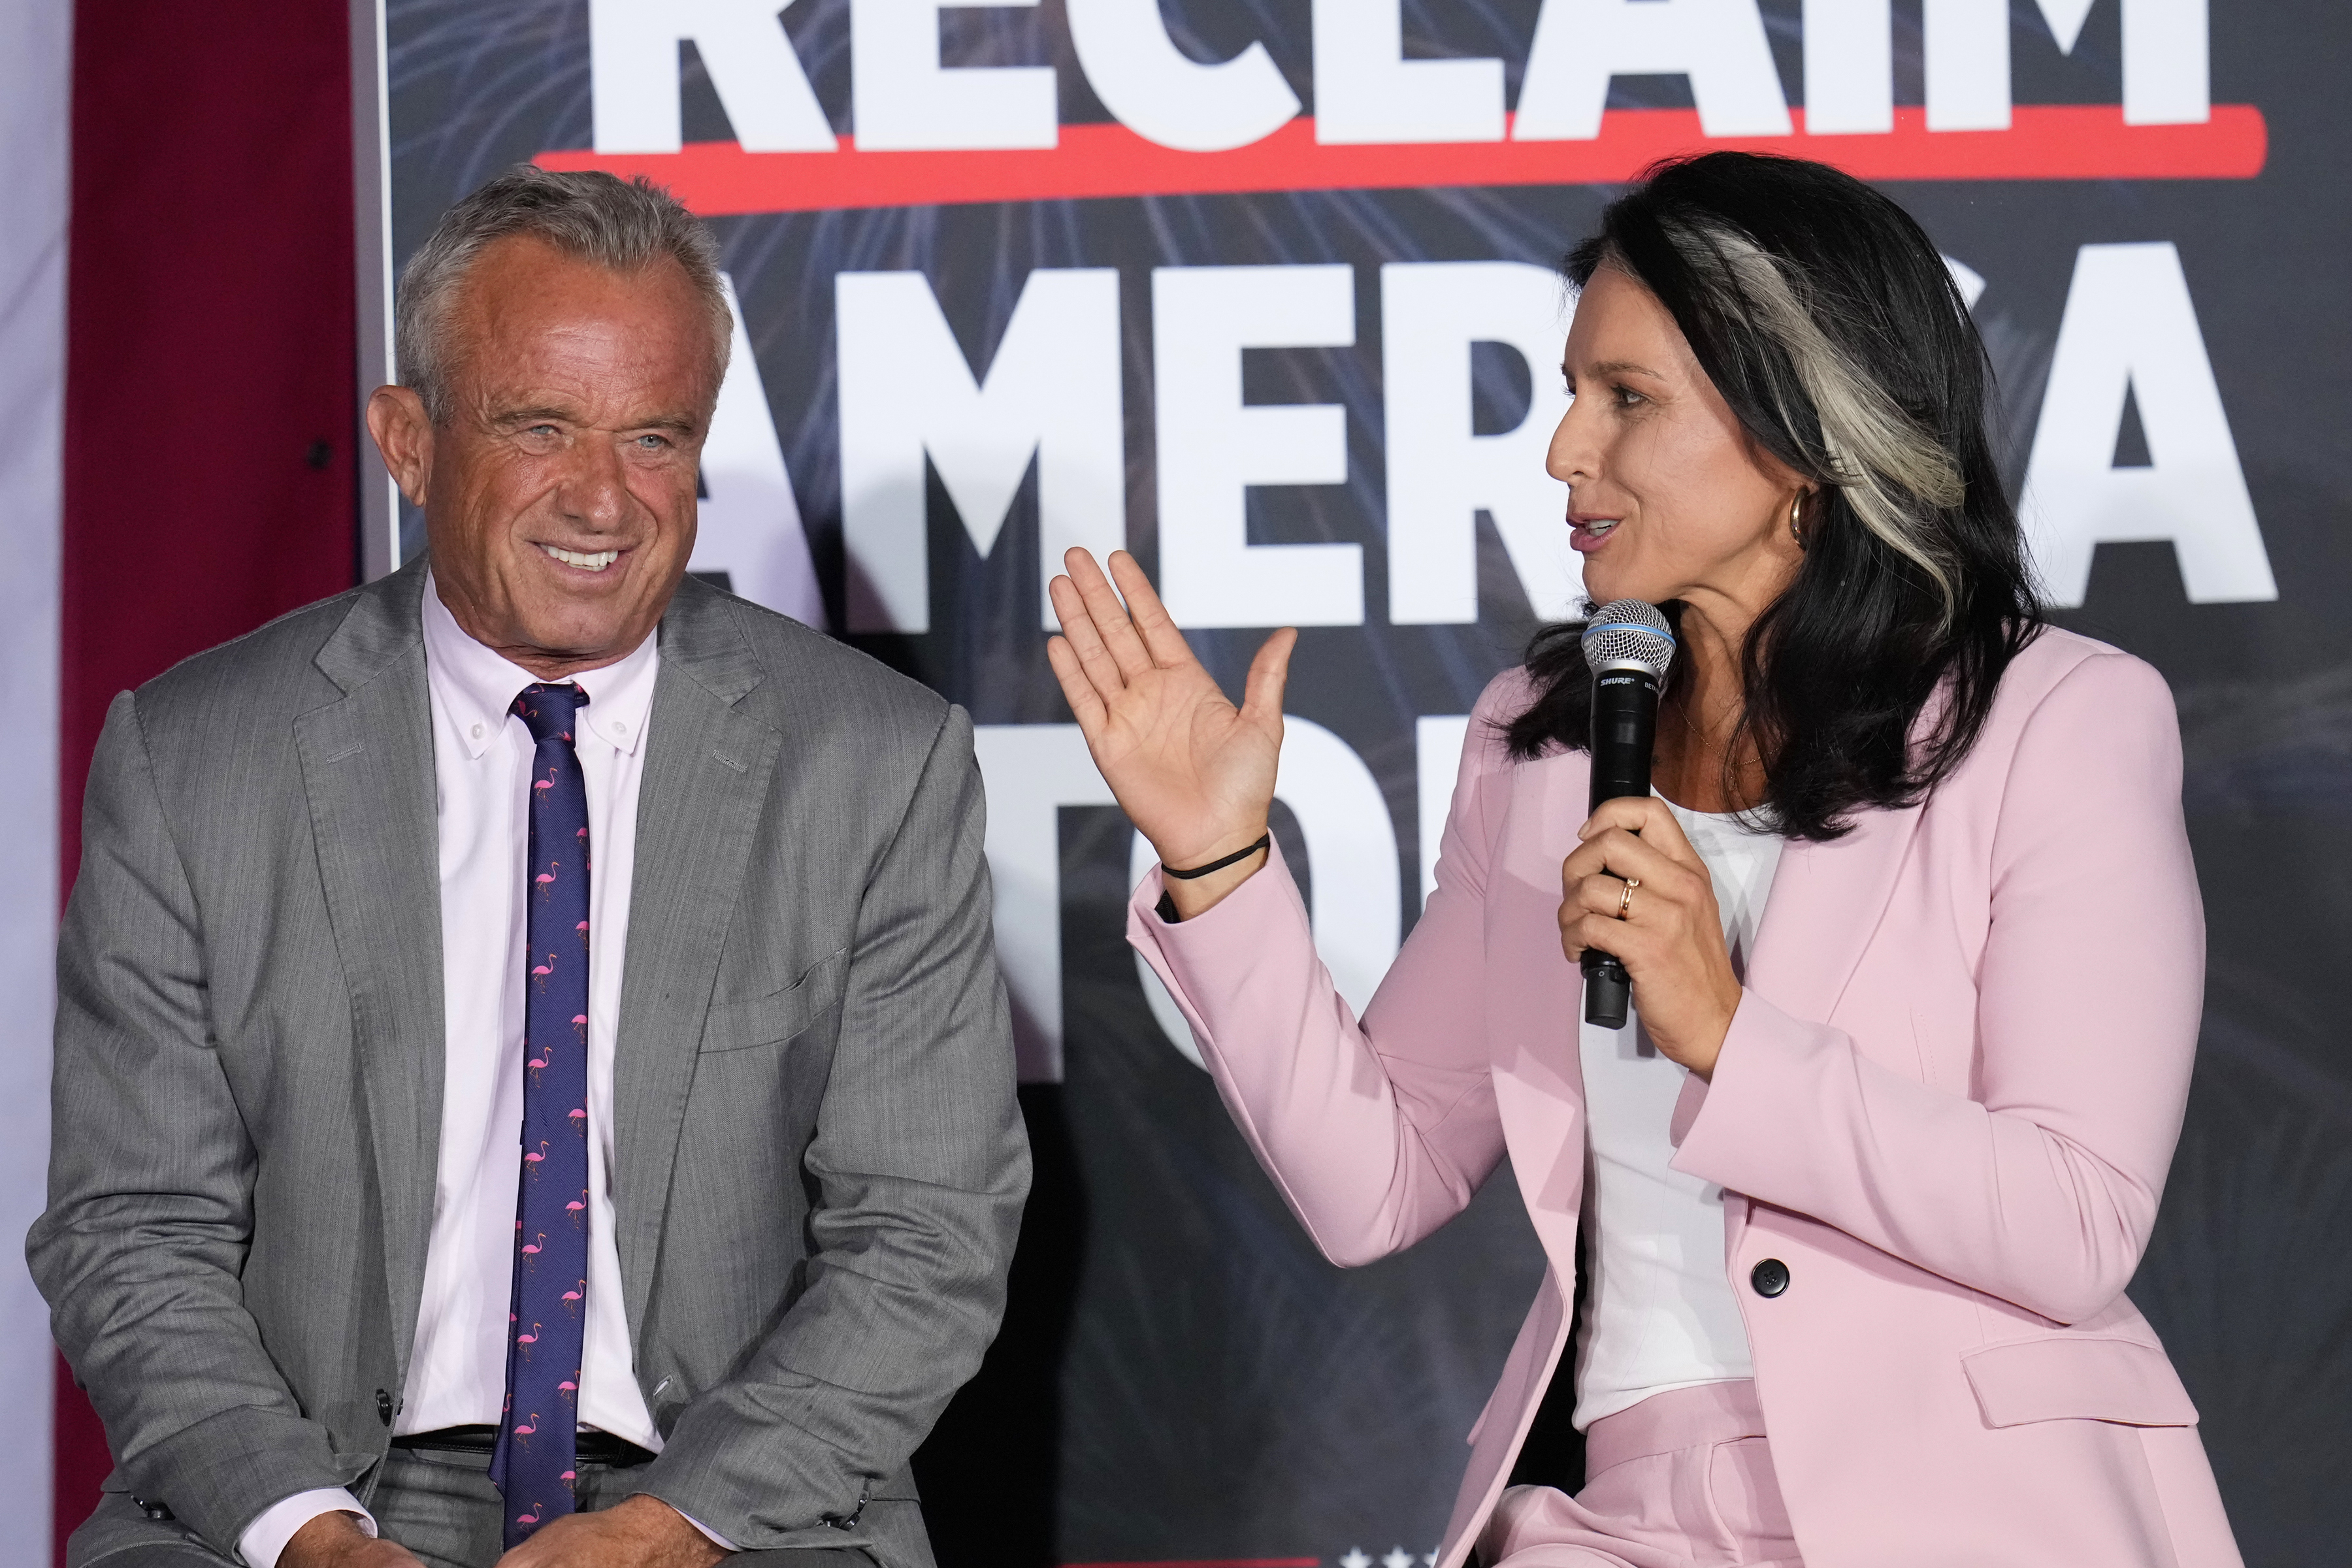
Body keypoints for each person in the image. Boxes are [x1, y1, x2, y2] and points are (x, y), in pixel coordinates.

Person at [1046, 153, 2240, 1568]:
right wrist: (1219, 862)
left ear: (1803, 433)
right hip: (1623, 1514)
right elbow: (1377, 1177)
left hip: (1975, 1504)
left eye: (1627, 400)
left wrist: (1729, 1035)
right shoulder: (1536, 746)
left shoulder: (2052, 719)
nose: (1564, 451)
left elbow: (2075, 1220)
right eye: (1572, 393)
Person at [31, 167, 1028, 1568]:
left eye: (655, 438)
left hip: (735, 1500)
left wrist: (675, 1524)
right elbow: (133, 1228)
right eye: (540, 427)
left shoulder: (874, 762)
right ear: (407, 441)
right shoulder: (196, 760)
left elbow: (927, 1236)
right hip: (298, 1485)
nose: (605, 499)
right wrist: (304, 1527)